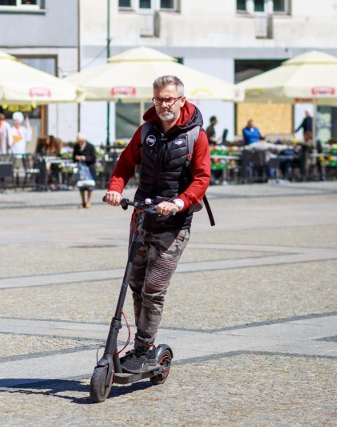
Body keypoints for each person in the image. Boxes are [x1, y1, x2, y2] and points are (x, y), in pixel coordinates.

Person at [104, 75, 210, 373]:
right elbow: (125, 164)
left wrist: (179, 201)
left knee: (153, 288)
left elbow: (202, 178)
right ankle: (142, 347)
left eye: (169, 99)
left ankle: (144, 347)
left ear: (181, 100)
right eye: (158, 99)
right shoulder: (145, 132)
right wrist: (115, 187)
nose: (163, 104)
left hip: (174, 225)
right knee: (134, 284)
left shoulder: (195, 136)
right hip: (142, 218)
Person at [73, 132, 97, 208]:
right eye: (79, 141)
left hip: (89, 169)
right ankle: (83, 201)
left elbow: (93, 158)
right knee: (81, 186)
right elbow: (73, 157)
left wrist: (85, 158)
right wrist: (77, 158)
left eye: (82, 141)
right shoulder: (76, 146)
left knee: (90, 186)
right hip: (81, 170)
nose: (80, 142)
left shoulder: (90, 146)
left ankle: (88, 201)